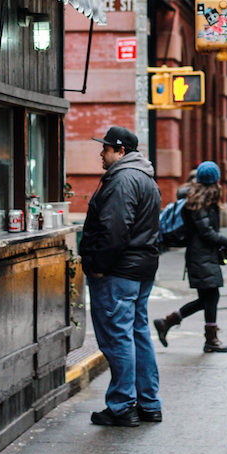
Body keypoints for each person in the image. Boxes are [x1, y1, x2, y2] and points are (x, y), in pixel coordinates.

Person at [79, 126, 162, 428]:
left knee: (118, 339)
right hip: (139, 269)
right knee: (137, 333)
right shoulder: (145, 178)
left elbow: (115, 229)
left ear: (121, 152)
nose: (101, 153)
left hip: (118, 272)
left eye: (106, 149)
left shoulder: (122, 179)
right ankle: (149, 403)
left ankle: (122, 406)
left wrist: (98, 264)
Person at [153, 161, 227, 353]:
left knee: (207, 298)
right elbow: (206, 232)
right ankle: (210, 340)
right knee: (210, 297)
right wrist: (225, 241)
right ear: (214, 178)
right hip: (201, 256)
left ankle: (168, 322)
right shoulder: (201, 200)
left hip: (203, 255)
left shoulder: (200, 197)